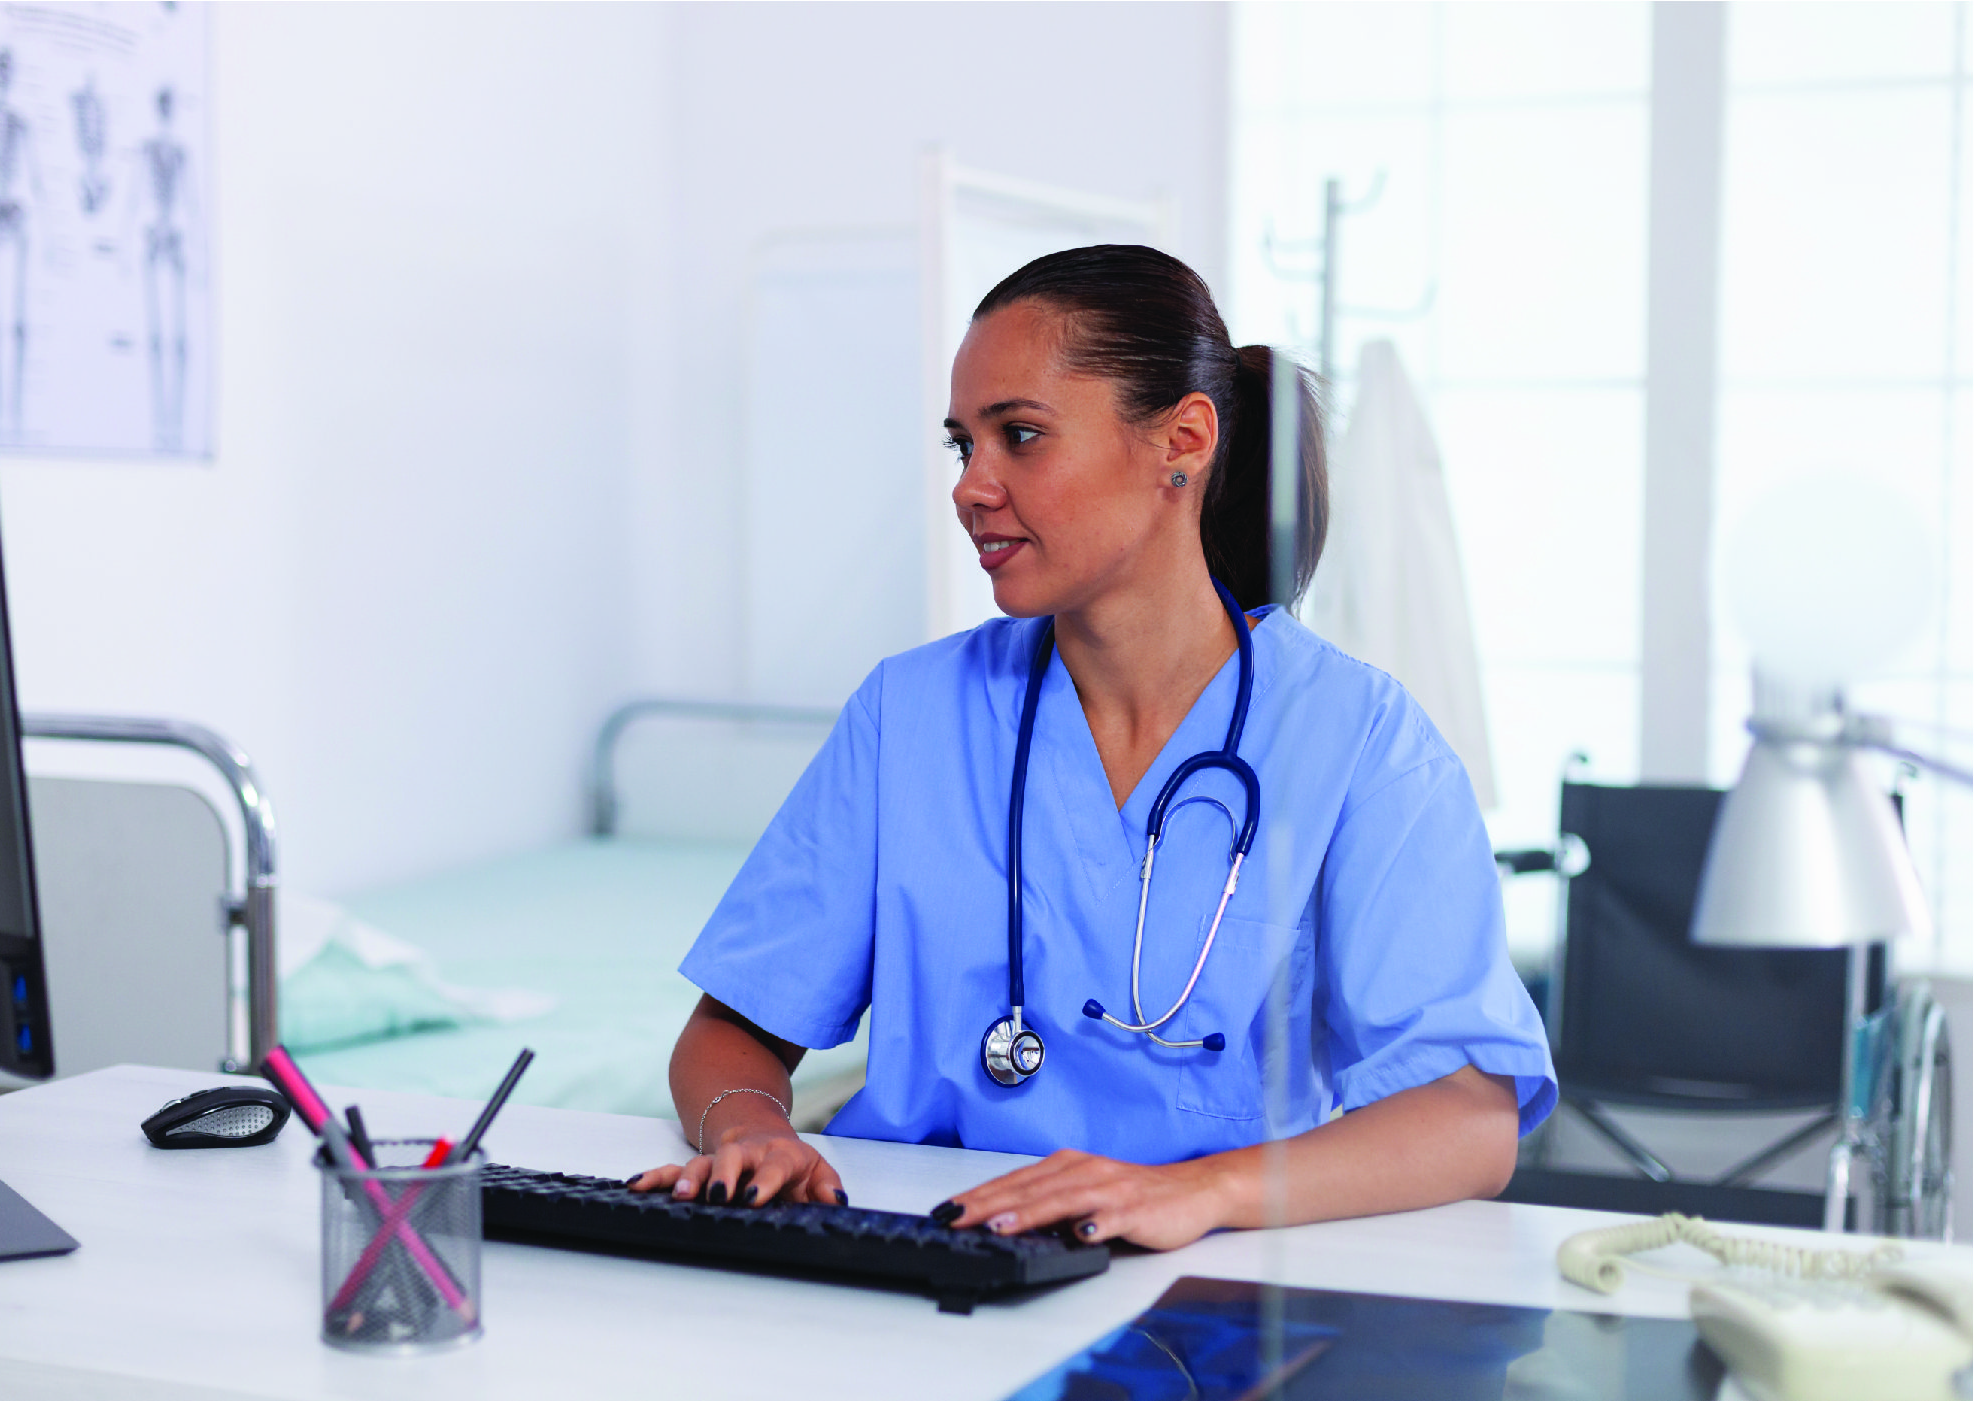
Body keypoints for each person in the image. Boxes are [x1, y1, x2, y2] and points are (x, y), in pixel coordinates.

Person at [628, 245, 1555, 1251]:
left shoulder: (1360, 741)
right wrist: (753, 1129)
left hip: (1209, 1281)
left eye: (1019, 436)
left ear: (1180, 442)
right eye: (962, 446)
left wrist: (1204, 1193)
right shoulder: (911, 714)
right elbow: (734, 1030)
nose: (971, 488)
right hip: (915, 1253)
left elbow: (1467, 1119)